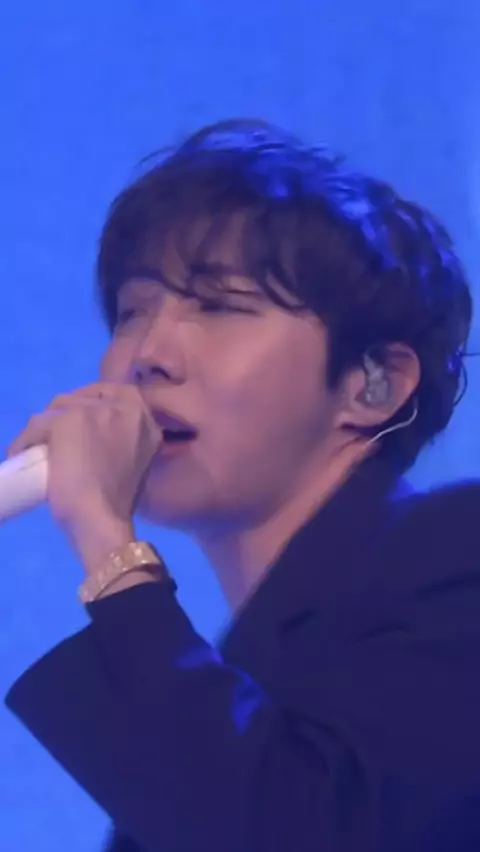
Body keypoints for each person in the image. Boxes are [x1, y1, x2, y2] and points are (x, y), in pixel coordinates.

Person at [4, 119, 480, 852]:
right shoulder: (227, 697)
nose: (148, 355)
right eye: (132, 312)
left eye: (219, 305)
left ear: (375, 384)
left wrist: (105, 539)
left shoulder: (458, 558)